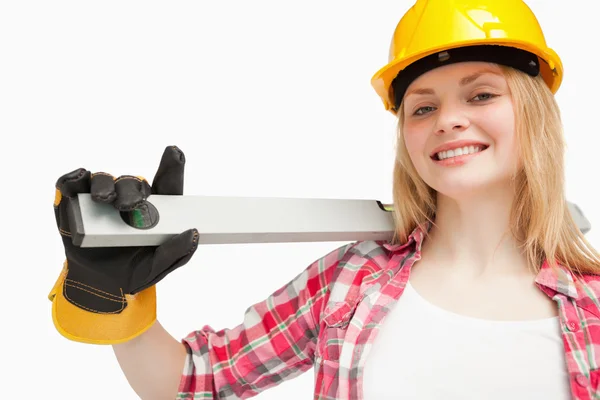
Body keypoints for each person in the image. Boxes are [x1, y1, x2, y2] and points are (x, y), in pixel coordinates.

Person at [48, 0, 600, 399]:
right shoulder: (349, 282)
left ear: (534, 114)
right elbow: (197, 381)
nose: (450, 119)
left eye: (481, 94)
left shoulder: (593, 303)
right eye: (423, 107)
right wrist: (118, 297)